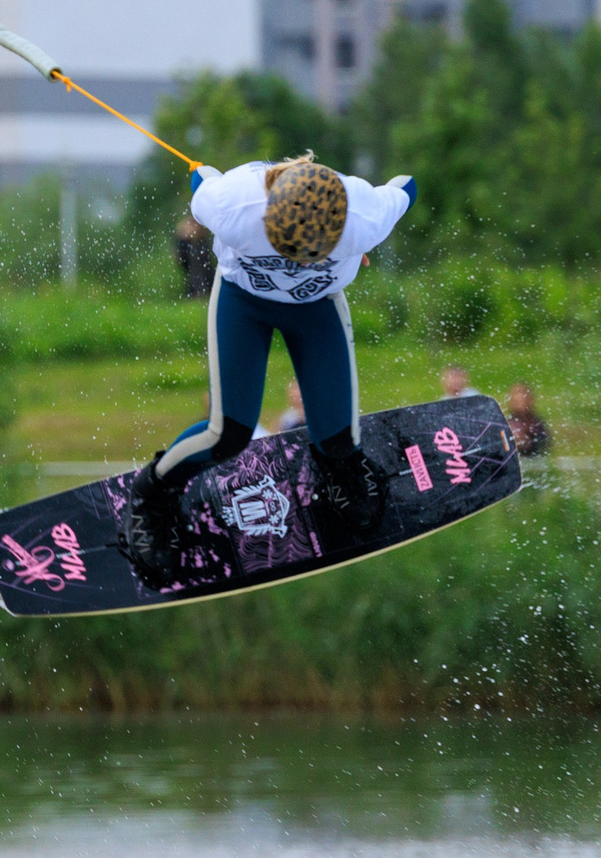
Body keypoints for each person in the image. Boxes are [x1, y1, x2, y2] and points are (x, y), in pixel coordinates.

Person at [118, 152, 417, 579]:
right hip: (245, 304)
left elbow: (406, 185)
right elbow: (203, 182)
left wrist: (366, 241)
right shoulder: (234, 205)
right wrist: (203, 171)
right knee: (226, 436)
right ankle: (152, 493)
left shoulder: (364, 212)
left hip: (317, 308)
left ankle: (335, 473)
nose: (296, 267)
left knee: (340, 446)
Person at [173, 215, 216, 301]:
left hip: (197, 249)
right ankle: (198, 291)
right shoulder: (189, 222)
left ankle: (200, 291)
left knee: (200, 267)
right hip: (190, 250)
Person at [504, 382, 551, 458]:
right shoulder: (505, 422)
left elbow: (543, 446)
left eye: (522, 395)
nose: (518, 399)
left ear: (530, 400)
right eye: (515, 396)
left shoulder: (536, 424)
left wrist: (525, 442)